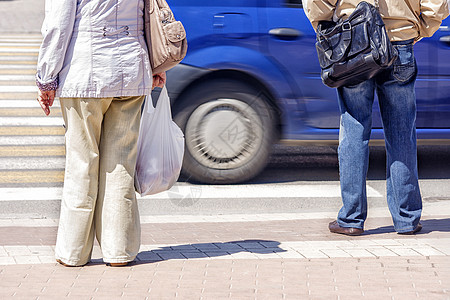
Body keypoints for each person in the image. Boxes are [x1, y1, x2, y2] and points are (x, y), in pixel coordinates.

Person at [36, 0, 166, 266]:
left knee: (82, 163)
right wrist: (155, 66)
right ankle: (119, 251)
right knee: (121, 165)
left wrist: (46, 77)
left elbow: (58, 26)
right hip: (132, 69)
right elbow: (151, 15)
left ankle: (74, 253)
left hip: (84, 73)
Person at [303, 0, 449, 235]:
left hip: (355, 40)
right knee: (402, 133)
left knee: (353, 129)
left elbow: (317, 2)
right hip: (400, 42)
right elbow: (437, 3)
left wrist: (326, 25)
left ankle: (351, 218)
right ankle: (406, 219)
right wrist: (421, 28)